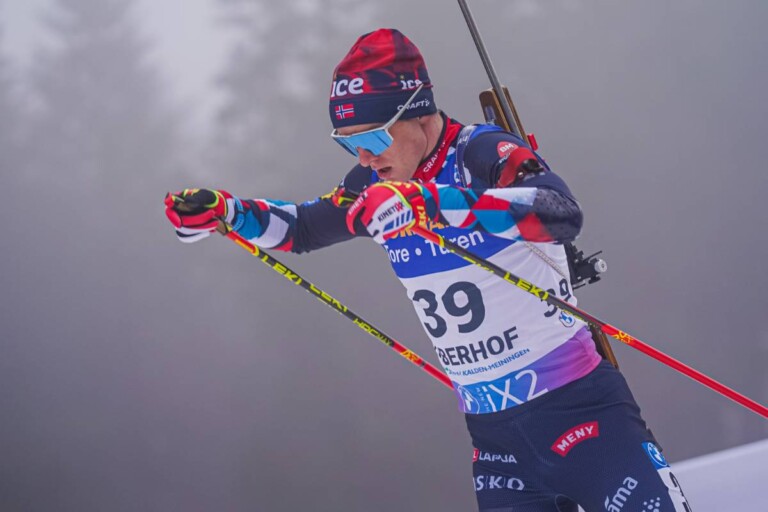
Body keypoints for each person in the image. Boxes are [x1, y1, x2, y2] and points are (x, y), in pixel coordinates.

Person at [165, 28, 691, 512]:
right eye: (348, 143)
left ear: (418, 115)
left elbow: (561, 212)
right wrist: (227, 213)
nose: (364, 158)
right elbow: (303, 228)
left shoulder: (481, 151)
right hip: (497, 443)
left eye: (373, 139)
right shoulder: (374, 183)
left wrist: (432, 203)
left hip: (582, 414)